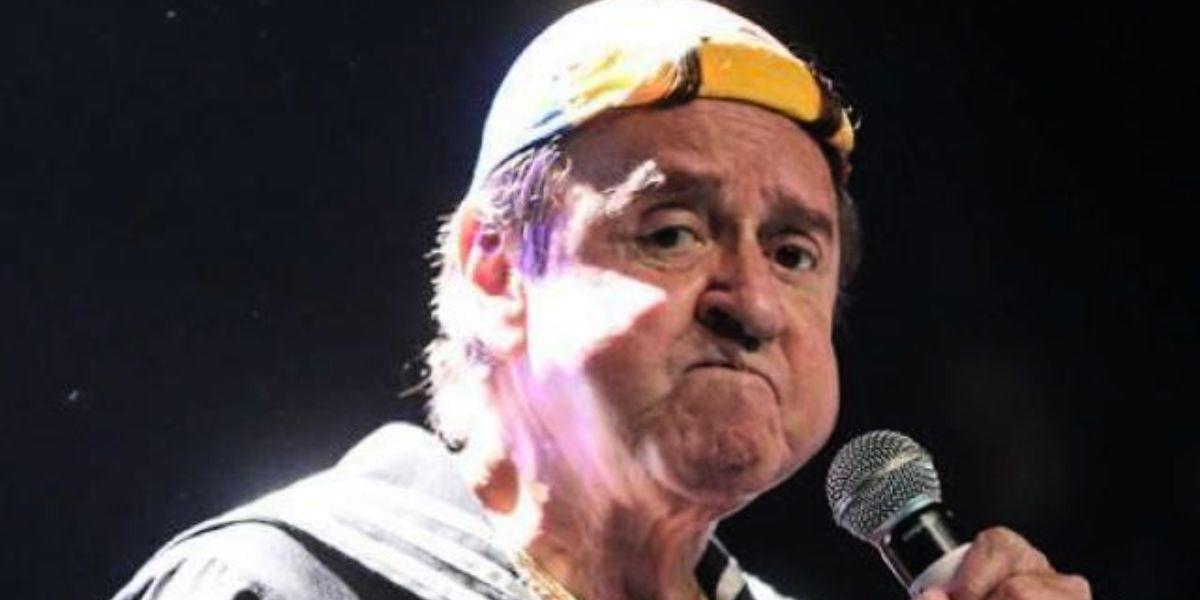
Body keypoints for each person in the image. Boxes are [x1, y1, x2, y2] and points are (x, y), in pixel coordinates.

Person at [113, 1, 1091, 599]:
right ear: (495, 271)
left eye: (795, 253)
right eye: (672, 233)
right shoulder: (279, 585)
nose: (753, 304)